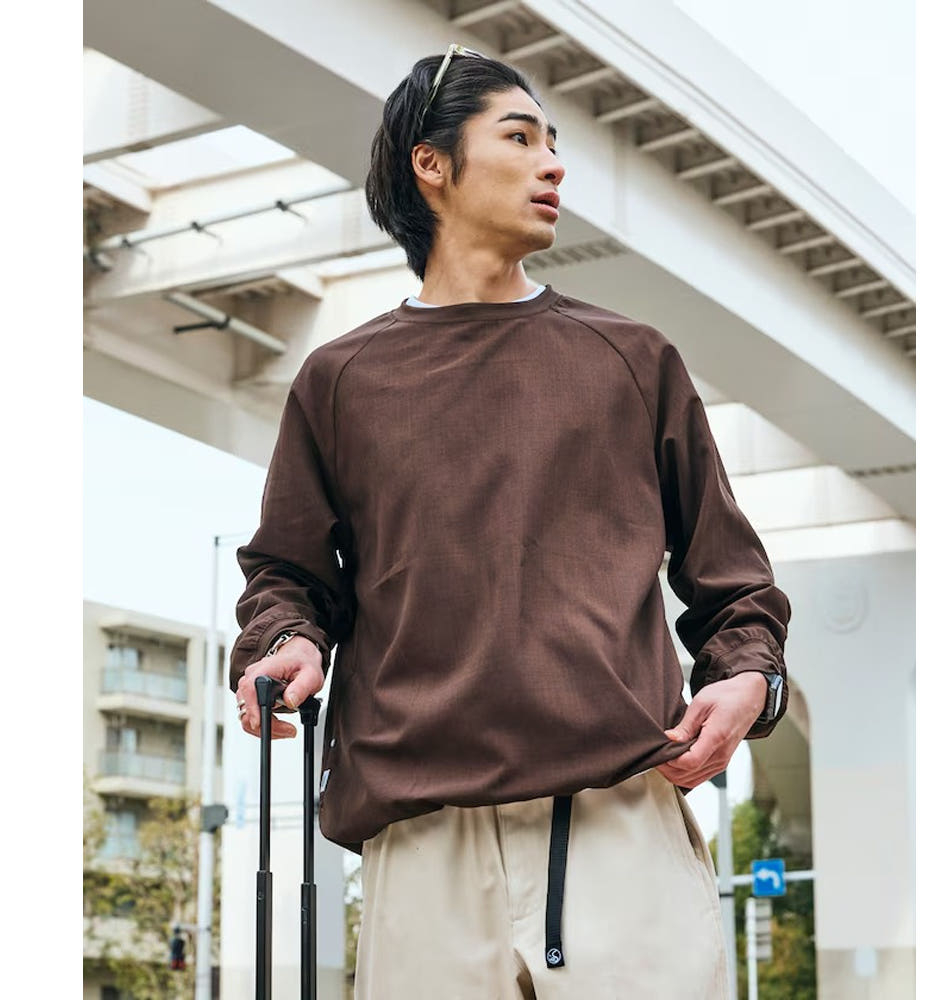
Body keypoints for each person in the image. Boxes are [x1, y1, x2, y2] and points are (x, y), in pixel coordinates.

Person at [230, 43, 791, 999]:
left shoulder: (633, 360)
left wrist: (747, 678)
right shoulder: (341, 381)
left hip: (620, 823)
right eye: (521, 138)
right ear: (432, 164)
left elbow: (731, 578)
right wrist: (286, 641)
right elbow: (288, 572)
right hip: (422, 842)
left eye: (553, 144)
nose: (554, 165)